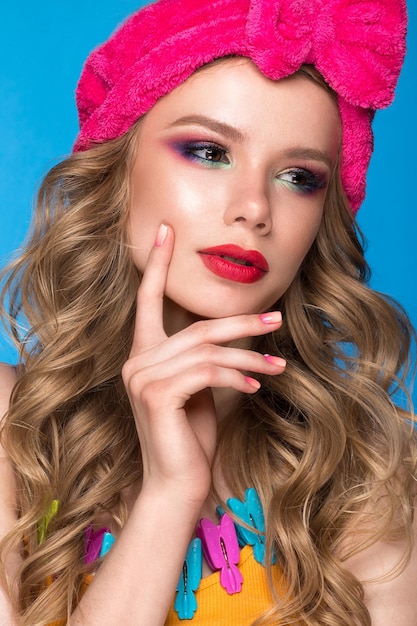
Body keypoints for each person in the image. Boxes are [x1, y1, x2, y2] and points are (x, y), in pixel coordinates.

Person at [0, 0, 416, 624]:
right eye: (209, 151)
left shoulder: (371, 471)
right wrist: (170, 496)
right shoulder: (14, 433)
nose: (254, 209)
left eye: (299, 177)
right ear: (119, 167)